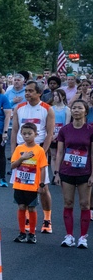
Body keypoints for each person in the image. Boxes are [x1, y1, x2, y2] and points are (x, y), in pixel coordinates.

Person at [10, 81, 56, 234]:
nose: (27, 93)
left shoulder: (47, 109)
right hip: (21, 151)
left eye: (30, 91)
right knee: (24, 185)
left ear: (39, 93)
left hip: (38, 150)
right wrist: (13, 154)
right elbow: (15, 131)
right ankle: (28, 219)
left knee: (43, 188)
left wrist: (42, 152)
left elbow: (50, 133)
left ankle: (47, 218)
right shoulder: (19, 108)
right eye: (26, 91)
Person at [55, 99, 93, 247]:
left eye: (79, 108)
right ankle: (69, 236)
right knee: (68, 203)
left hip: (85, 172)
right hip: (67, 171)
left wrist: (92, 175)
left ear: (85, 111)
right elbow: (59, 152)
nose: (76, 110)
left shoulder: (90, 130)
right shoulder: (65, 130)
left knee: (85, 204)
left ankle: (83, 237)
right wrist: (57, 173)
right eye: (74, 108)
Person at [10, 123, 48, 244]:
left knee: (31, 208)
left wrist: (41, 185)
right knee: (21, 206)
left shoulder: (39, 150)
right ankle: (22, 233)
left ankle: (32, 233)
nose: (27, 136)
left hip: (32, 185)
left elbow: (42, 168)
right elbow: (12, 165)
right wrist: (22, 158)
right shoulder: (19, 149)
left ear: (36, 134)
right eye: (24, 134)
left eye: (29, 134)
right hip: (20, 184)